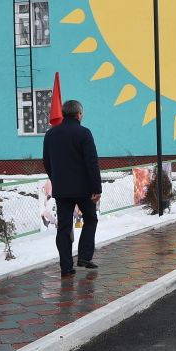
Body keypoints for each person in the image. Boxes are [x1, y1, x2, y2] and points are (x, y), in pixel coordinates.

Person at [42, 99, 102, 278]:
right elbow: (91, 162)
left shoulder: (51, 134)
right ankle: (84, 256)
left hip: (62, 190)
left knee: (64, 227)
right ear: (79, 115)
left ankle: (66, 267)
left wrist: (56, 179)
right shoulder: (84, 133)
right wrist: (96, 188)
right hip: (84, 189)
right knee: (90, 219)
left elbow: (46, 161)